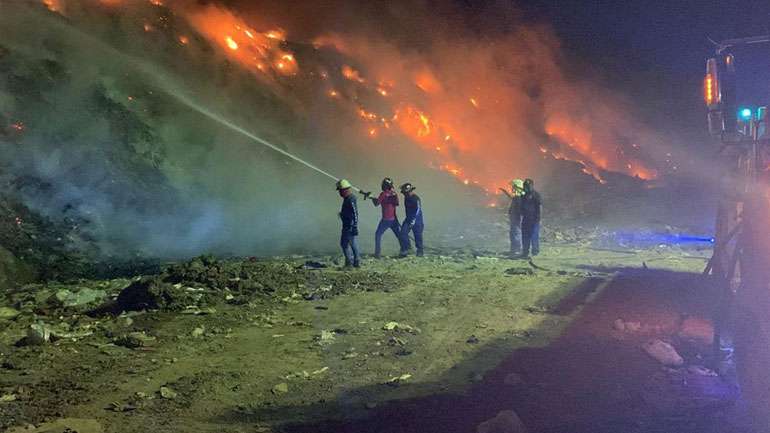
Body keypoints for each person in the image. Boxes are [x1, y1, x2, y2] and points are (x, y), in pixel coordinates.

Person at [370, 177, 407, 258]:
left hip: (386, 220)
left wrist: (371, 197)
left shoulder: (383, 194)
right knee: (398, 235)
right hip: (394, 219)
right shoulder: (394, 193)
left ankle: (377, 253)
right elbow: (397, 203)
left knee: (378, 234)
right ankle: (404, 250)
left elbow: (376, 203)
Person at [336, 179, 360, 268]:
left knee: (344, 243)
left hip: (349, 225)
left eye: (340, 190)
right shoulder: (347, 198)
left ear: (344, 190)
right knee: (353, 243)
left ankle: (349, 263)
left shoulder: (351, 199)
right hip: (348, 224)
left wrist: (354, 226)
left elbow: (355, 213)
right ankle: (356, 262)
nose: (339, 193)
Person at [398, 183, 424, 257]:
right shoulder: (406, 198)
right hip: (408, 219)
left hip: (417, 220)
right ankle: (407, 248)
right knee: (403, 232)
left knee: (418, 235)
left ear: (410, 191)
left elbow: (418, 210)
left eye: (405, 193)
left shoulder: (416, 199)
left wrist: (414, 220)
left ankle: (420, 250)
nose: (404, 194)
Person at [499, 179, 524, 257]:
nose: (512, 188)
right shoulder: (518, 197)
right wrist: (505, 192)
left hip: (517, 219)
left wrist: (519, 219)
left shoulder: (520, 198)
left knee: (516, 233)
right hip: (514, 218)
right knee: (513, 234)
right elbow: (512, 199)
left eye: (513, 187)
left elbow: (520, 210)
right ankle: (513, 250)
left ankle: (517, 250)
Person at [520, 178, 542, 259]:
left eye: (527, 185)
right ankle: (525, 252)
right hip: (525, 219)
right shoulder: (524, 195)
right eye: (524, 185)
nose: (525, 187)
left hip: (533, 219)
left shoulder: (536, 195)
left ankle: (535, 251)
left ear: (531, 185)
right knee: (525, 236)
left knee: (534, 236)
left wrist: (538, 219)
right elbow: (521, 205)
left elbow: (539, 207)